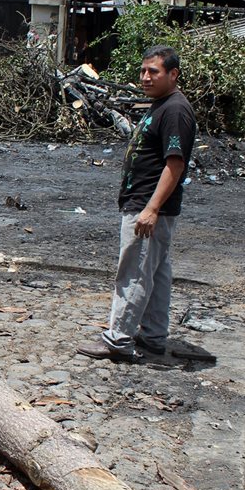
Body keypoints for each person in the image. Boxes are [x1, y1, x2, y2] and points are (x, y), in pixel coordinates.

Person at [77, 45, 197, 361]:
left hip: (148, 206)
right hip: (146, 204)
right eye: (143, 71)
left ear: (173, 74)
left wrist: (151, 208)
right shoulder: (163, 104)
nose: (145, 77)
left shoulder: (174, 110)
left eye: (153, 71)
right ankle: (154, 336)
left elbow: (175, 164)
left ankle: (118, 339)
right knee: (155, 274)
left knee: (134, 272)